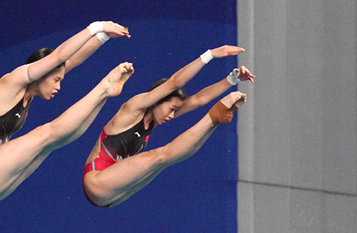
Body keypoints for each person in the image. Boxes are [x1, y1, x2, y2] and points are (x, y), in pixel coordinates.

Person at [0, 21, 132, 202]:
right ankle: (104, 88)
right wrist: (97, 27)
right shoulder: (11, 82)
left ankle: (103, 95)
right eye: (56, 80)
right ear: (42, 73)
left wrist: (103, 37)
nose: (58, 86)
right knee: (45, 133)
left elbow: (71, 61)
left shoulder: (29, 93)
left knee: (53, 142)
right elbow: (59, 56)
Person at [82, 45, 255, 208]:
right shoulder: (134, 107)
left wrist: (232, 79)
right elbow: (174, 82)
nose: (172, 116)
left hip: (113, 195)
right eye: (171, 109)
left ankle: (215, 120)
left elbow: (198, 100)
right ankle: (214, 116)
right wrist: (210, 55)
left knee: (164, 162)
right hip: (97, 182)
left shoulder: (155, 119)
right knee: (159, 156)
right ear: (158, 100)